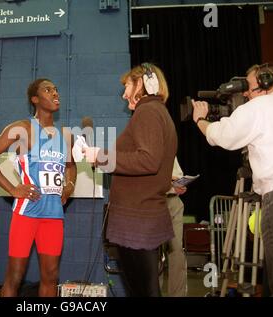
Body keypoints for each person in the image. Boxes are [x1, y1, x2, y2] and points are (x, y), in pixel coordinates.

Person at [192, 62, 273, 296]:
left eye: (250, 86)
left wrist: (200, 120)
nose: (245, 93)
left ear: (265, 82)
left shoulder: (258, 107)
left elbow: (221, 136)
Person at [0, 78, 77, 297]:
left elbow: (71, 166)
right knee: (15, 276)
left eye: (56, 89)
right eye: (48, 90)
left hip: (53, 216)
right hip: (27, 213)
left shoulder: (63, 137)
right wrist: (13, 189)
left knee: (51, 277)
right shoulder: (22, 128)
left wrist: (68, 186)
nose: (55, 93)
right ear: (35, 99)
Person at [92, 63, 178, 296]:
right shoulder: (157, 112)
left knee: (145, 292)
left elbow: (148, 161)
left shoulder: (148, 112)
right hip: (142, 218)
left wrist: (99, 156)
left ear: (141, 83)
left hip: (137, 220)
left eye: (127, 86)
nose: (124, 94)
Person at [161, 157, 188, 296]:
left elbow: (177, 174)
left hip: (173, 201)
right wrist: (168, 179)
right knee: (156, 254)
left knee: (177, 252)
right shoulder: (147, 141)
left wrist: (179, 184)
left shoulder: (170, 143)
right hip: (156, 201)